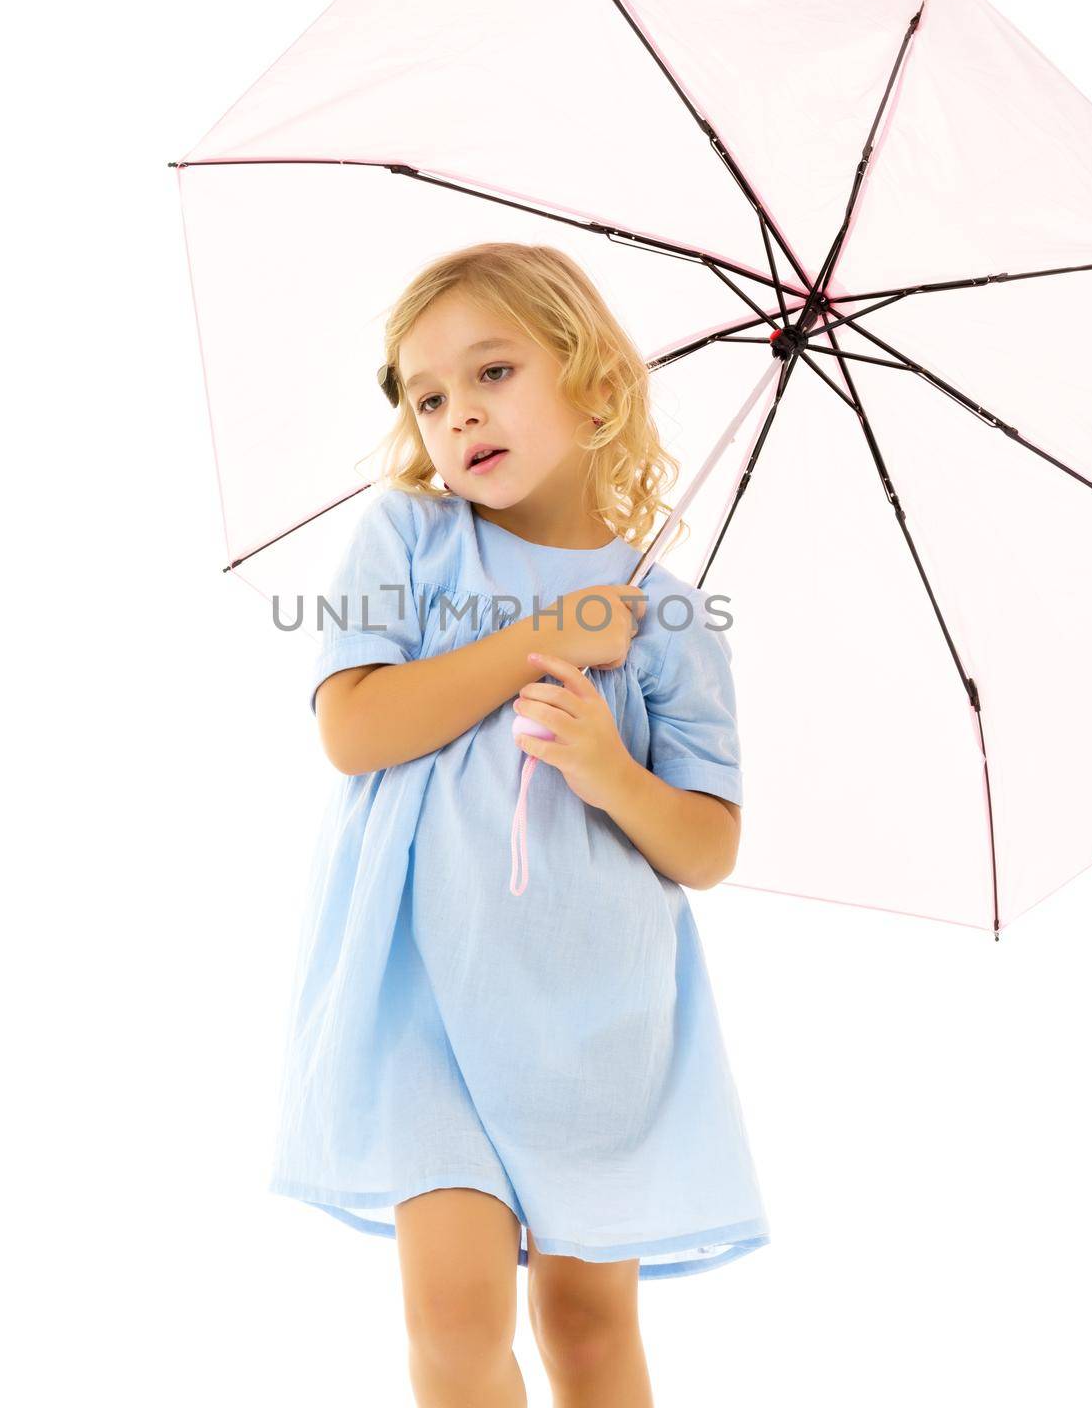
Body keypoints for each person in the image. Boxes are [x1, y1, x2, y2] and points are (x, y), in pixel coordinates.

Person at [269, 242, 769, 1406]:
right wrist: (538, 637)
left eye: (493, 372)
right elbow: (355, 728)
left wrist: (608, 766)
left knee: (588, 1331)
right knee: (454, 1321)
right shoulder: (409, 538)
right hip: (420, 996)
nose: (458, 414)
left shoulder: (670, 616)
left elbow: (705, 845)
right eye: (429, 396)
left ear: (595, 384)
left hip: (592, 1014)